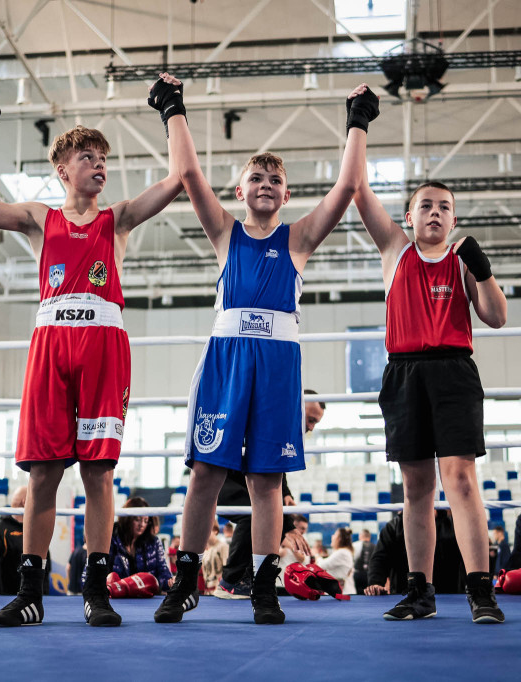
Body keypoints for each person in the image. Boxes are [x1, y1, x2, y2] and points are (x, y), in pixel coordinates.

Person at [0, 92, 182, 629]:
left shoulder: (119, 219)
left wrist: (172, 113)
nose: (100, 165)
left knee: (100, 474)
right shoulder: (39, 217)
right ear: (62, 169)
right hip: (52, 343)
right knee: (44, 474)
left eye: (104, 159)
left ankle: (95, 591)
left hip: (103, 344)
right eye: (88, 158)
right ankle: (30, 592)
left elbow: (178, 179)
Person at [151, 73, 375, 626]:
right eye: (257, 176)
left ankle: (265, 587)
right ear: (241, 190)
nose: (267, 183)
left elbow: (346, 189)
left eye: (276, 177)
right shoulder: (225, 233)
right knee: (205, 471)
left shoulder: (296, 239)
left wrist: (357, 123)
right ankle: (185, 582)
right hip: (227, 359)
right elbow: (188, 174)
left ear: (287, 193)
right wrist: (173, 108)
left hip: (277, 366)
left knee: (266, 481)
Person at [354, 175, 508, 624]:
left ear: (454, 218)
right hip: (403, 373)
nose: (435, 212)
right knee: (416, 488)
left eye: (444, 206)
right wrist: (357, 122)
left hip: (455, 370)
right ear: (409, 216)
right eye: (426, 205)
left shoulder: (463, 263)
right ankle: (419, 591)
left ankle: (480, 590)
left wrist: (483, 269)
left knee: (460, 480)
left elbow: (496, 317)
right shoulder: (395, 251)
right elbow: (359, 191)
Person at [215, 393, 324, 599]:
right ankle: (230, 582)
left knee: (270, 517)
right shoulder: (274, 419)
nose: (311, 428)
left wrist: (287, 496)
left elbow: (275, 469)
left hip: (246, 481)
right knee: (256, 515)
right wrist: (289, 525)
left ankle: (249, 577)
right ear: (298, 409)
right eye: (310, 420)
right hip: (225, 477)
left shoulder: (283, 427)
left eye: (315, 422)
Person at [0, 487, 50, 596]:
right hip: (7, 599)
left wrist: (44, 597)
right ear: (25, 502)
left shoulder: (36, 530)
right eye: (37, 498)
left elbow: (45, 567)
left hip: (34, 599)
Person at [93, 497, 172, 591]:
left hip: (146, 599)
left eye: (146, 521)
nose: (142, 524)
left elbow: (163, 571)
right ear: (127, 519)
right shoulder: (109, 539)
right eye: (137, 519)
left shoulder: (154, 542)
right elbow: (93, 575)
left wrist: (169, 582)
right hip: (115, 598)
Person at [314, 528, 356, 595]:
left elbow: (322, 565)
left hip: (343, 594)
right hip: (340, 593)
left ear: (339, 539)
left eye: (334, 535)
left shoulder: (342, 552)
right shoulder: (343, 552)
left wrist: (317, 555)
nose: (332, 536)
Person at [354, 529, 375, 593]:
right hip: (370, 575)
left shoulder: (354, 545)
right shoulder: (375, 547)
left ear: (360, 536)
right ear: (369, 537)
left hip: (357, 574)